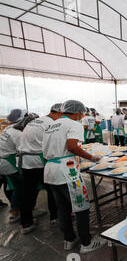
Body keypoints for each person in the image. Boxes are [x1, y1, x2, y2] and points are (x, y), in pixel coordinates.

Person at [43, 100, 106, 253]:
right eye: (81, 114)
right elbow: (72, 146)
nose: (81, 117)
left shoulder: (51, 125)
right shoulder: (74, 124)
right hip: (67, 171)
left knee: (63, 208)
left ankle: (69, 239)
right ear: (78, 112)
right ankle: (86, 243)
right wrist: (91, 157)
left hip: (50, 170)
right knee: (81, 206)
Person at [18, 103, 62, 234]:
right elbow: (53, 145)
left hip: (26, 162)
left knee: (28, 193)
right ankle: (55, 217)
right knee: (53, 189)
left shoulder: (36, 121)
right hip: (40, 161)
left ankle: (26, 223)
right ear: (58, 113)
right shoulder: (50, 124)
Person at [0, 109, 27, 223]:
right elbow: (23, 150)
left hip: (3, 160)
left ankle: (16, 209)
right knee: (19, 186)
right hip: (6, 161)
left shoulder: (8, 129)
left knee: (9, 184)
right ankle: (15, 212)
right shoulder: (17, 133)